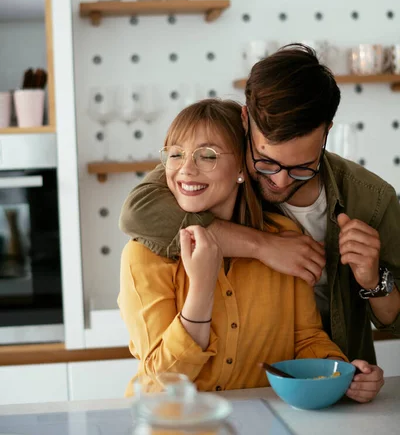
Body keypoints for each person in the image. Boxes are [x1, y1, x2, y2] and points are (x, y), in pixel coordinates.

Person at [120, 45, 397, 399]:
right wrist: (262, 246)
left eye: (300, 167)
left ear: (327, 132)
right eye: (266, 162)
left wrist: (373, 281)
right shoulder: (216, 167)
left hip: (321, 391)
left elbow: (330, 335)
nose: (279, 182)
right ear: (245, 121)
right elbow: (137, 211)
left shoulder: (370, 199)